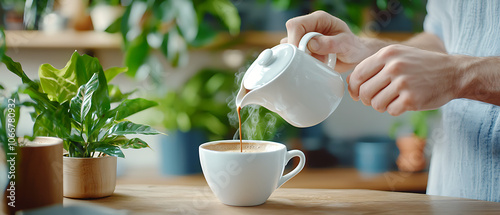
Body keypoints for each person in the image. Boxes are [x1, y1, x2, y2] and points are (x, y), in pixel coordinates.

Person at [281, 0, 499, 202]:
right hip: (450, 193)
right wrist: (367, 50)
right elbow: (443, 38)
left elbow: (456, 62)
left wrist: (459, 75)